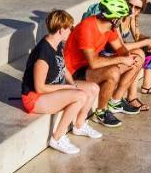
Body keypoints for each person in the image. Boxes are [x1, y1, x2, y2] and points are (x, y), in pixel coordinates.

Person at [22, 9, 103, 154]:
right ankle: (57, 137)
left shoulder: (57, 44)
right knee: (80, 96)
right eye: (70, 28)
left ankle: (79, 125)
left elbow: (63, 67)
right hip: (34, 98)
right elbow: (39, 88)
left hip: (54, 89)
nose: (72, 30)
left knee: (93, 88)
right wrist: (66, 88)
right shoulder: (43, 54)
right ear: (61, 30)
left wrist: (72, 84)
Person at [64, 0, 141, 128]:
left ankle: (115, 101)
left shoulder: (109, 28)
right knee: (113, 72)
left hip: (89, 67)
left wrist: (127, 57)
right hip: (74, 72)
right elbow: (93, 62)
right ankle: (101, 112)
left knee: (138, 57)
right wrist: (122, 59)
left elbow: (120, 49)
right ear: (115, 18)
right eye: (121, 17)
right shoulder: (87, 28)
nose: (122, 20)